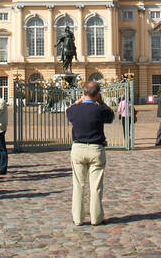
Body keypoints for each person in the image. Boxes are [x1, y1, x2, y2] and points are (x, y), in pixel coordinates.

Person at [66, 81, 115, 226]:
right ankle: (96, 218)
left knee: (78, 185)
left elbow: (68, 110)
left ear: (83, 93)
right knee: (96, 186)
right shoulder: (100, 109)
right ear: (97, 94)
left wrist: (80, 100)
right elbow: (111, 116)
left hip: (78, 149)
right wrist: (101, 102)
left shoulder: (75, 110)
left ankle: (78, 218)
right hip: (96, 149)